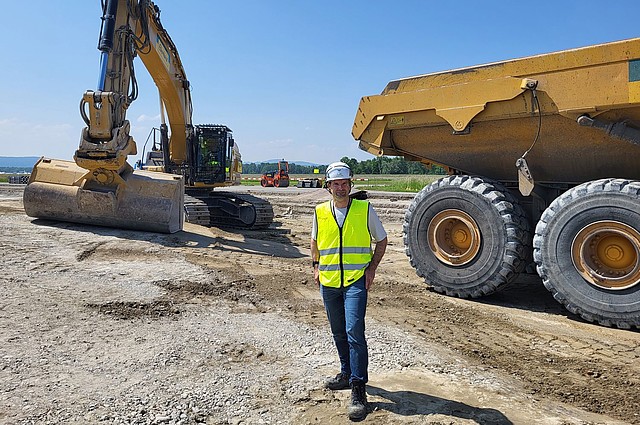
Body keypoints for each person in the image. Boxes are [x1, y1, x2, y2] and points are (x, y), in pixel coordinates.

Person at [310, 161, 388, 421]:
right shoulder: (320, 211)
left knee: (355, 331)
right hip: (329, 282)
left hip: (355, 281)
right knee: (338, 330)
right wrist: (315, 267)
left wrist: (372, 268)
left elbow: (382, 239)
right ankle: (345, 373)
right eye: (336, 184)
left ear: (350, 185)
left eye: (344, 183)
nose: (341, 188)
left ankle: (358, 387)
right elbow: (314, 241)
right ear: (328, 186)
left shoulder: (364, 209)